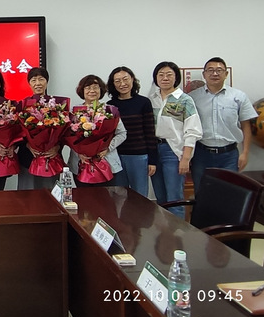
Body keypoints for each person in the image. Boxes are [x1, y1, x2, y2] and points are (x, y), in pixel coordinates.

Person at [189, 57, 258, 193]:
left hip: (229, 155)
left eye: (219, 70)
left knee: (229, 193)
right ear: (204, 74)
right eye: (210, 70)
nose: (215, 73)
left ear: (226, 74)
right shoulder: (192, 97)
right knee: (202, 193)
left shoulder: (239, 96)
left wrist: (245, 153)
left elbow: (246, 126)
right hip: (201, 154)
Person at [149, 61, 202, 218]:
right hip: (154, 150)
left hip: (173, 151)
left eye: (169, 74)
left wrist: (186, 158)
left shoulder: (184, 100)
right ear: (156, 78)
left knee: (175, 198)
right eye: (161, 75)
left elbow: (193, 130)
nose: (165, 78)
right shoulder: (151, 99)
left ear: (176, 77)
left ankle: (178, 232)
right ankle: (164, 230)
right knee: (160, 197)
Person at [106, 66, 158, 197]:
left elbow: (150, 132)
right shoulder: (110, 105)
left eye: (125, 79)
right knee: (118, 196)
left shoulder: (143, 102)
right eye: (117, 81)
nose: (122, 84)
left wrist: (152, 160)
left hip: (138, 156)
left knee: (140, 196)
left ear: (132, 79)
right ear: (113, 84)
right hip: (116, 156)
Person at [67, 75, 126, 187]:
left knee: (107, 196)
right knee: (84, 196)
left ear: (101, 90)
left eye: (95, 87)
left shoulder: (110, 110)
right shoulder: (73, 112)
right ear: (82, 91)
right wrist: (79, 152)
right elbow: (67, 136)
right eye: (88, 88)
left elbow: (122, 133)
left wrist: (107, 148)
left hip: (107, 162)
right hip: (81, 163)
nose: (92, 91)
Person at [17, 67, 69, 190]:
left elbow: (65, 132)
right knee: (27, 195)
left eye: (41, 79)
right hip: (28, 158)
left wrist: (57, 147)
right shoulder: (22, 105)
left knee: (51, 194)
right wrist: (28, 145)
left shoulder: (57, 105)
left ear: (47, 81)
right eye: (34, 80)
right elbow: (16, 132)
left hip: (51, 158)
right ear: (29, 83)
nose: (38, 83)